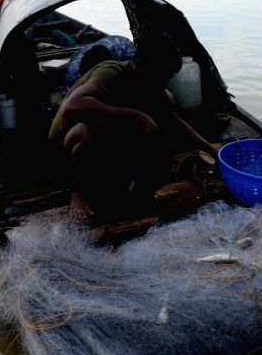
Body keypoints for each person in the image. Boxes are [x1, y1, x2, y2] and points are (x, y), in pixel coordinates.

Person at [48, 33, 217, 222]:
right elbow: (72, 107)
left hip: (100, 146)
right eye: (162, 76)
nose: (164, 83)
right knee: (94, 130)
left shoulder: (150, 83)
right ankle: (78, 192)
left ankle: (117, 179)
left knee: (162, 113)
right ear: (141, 65)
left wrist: (210, 149)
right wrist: (135, 115)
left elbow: (174, 122)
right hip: (65, 151)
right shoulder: (111, 73)